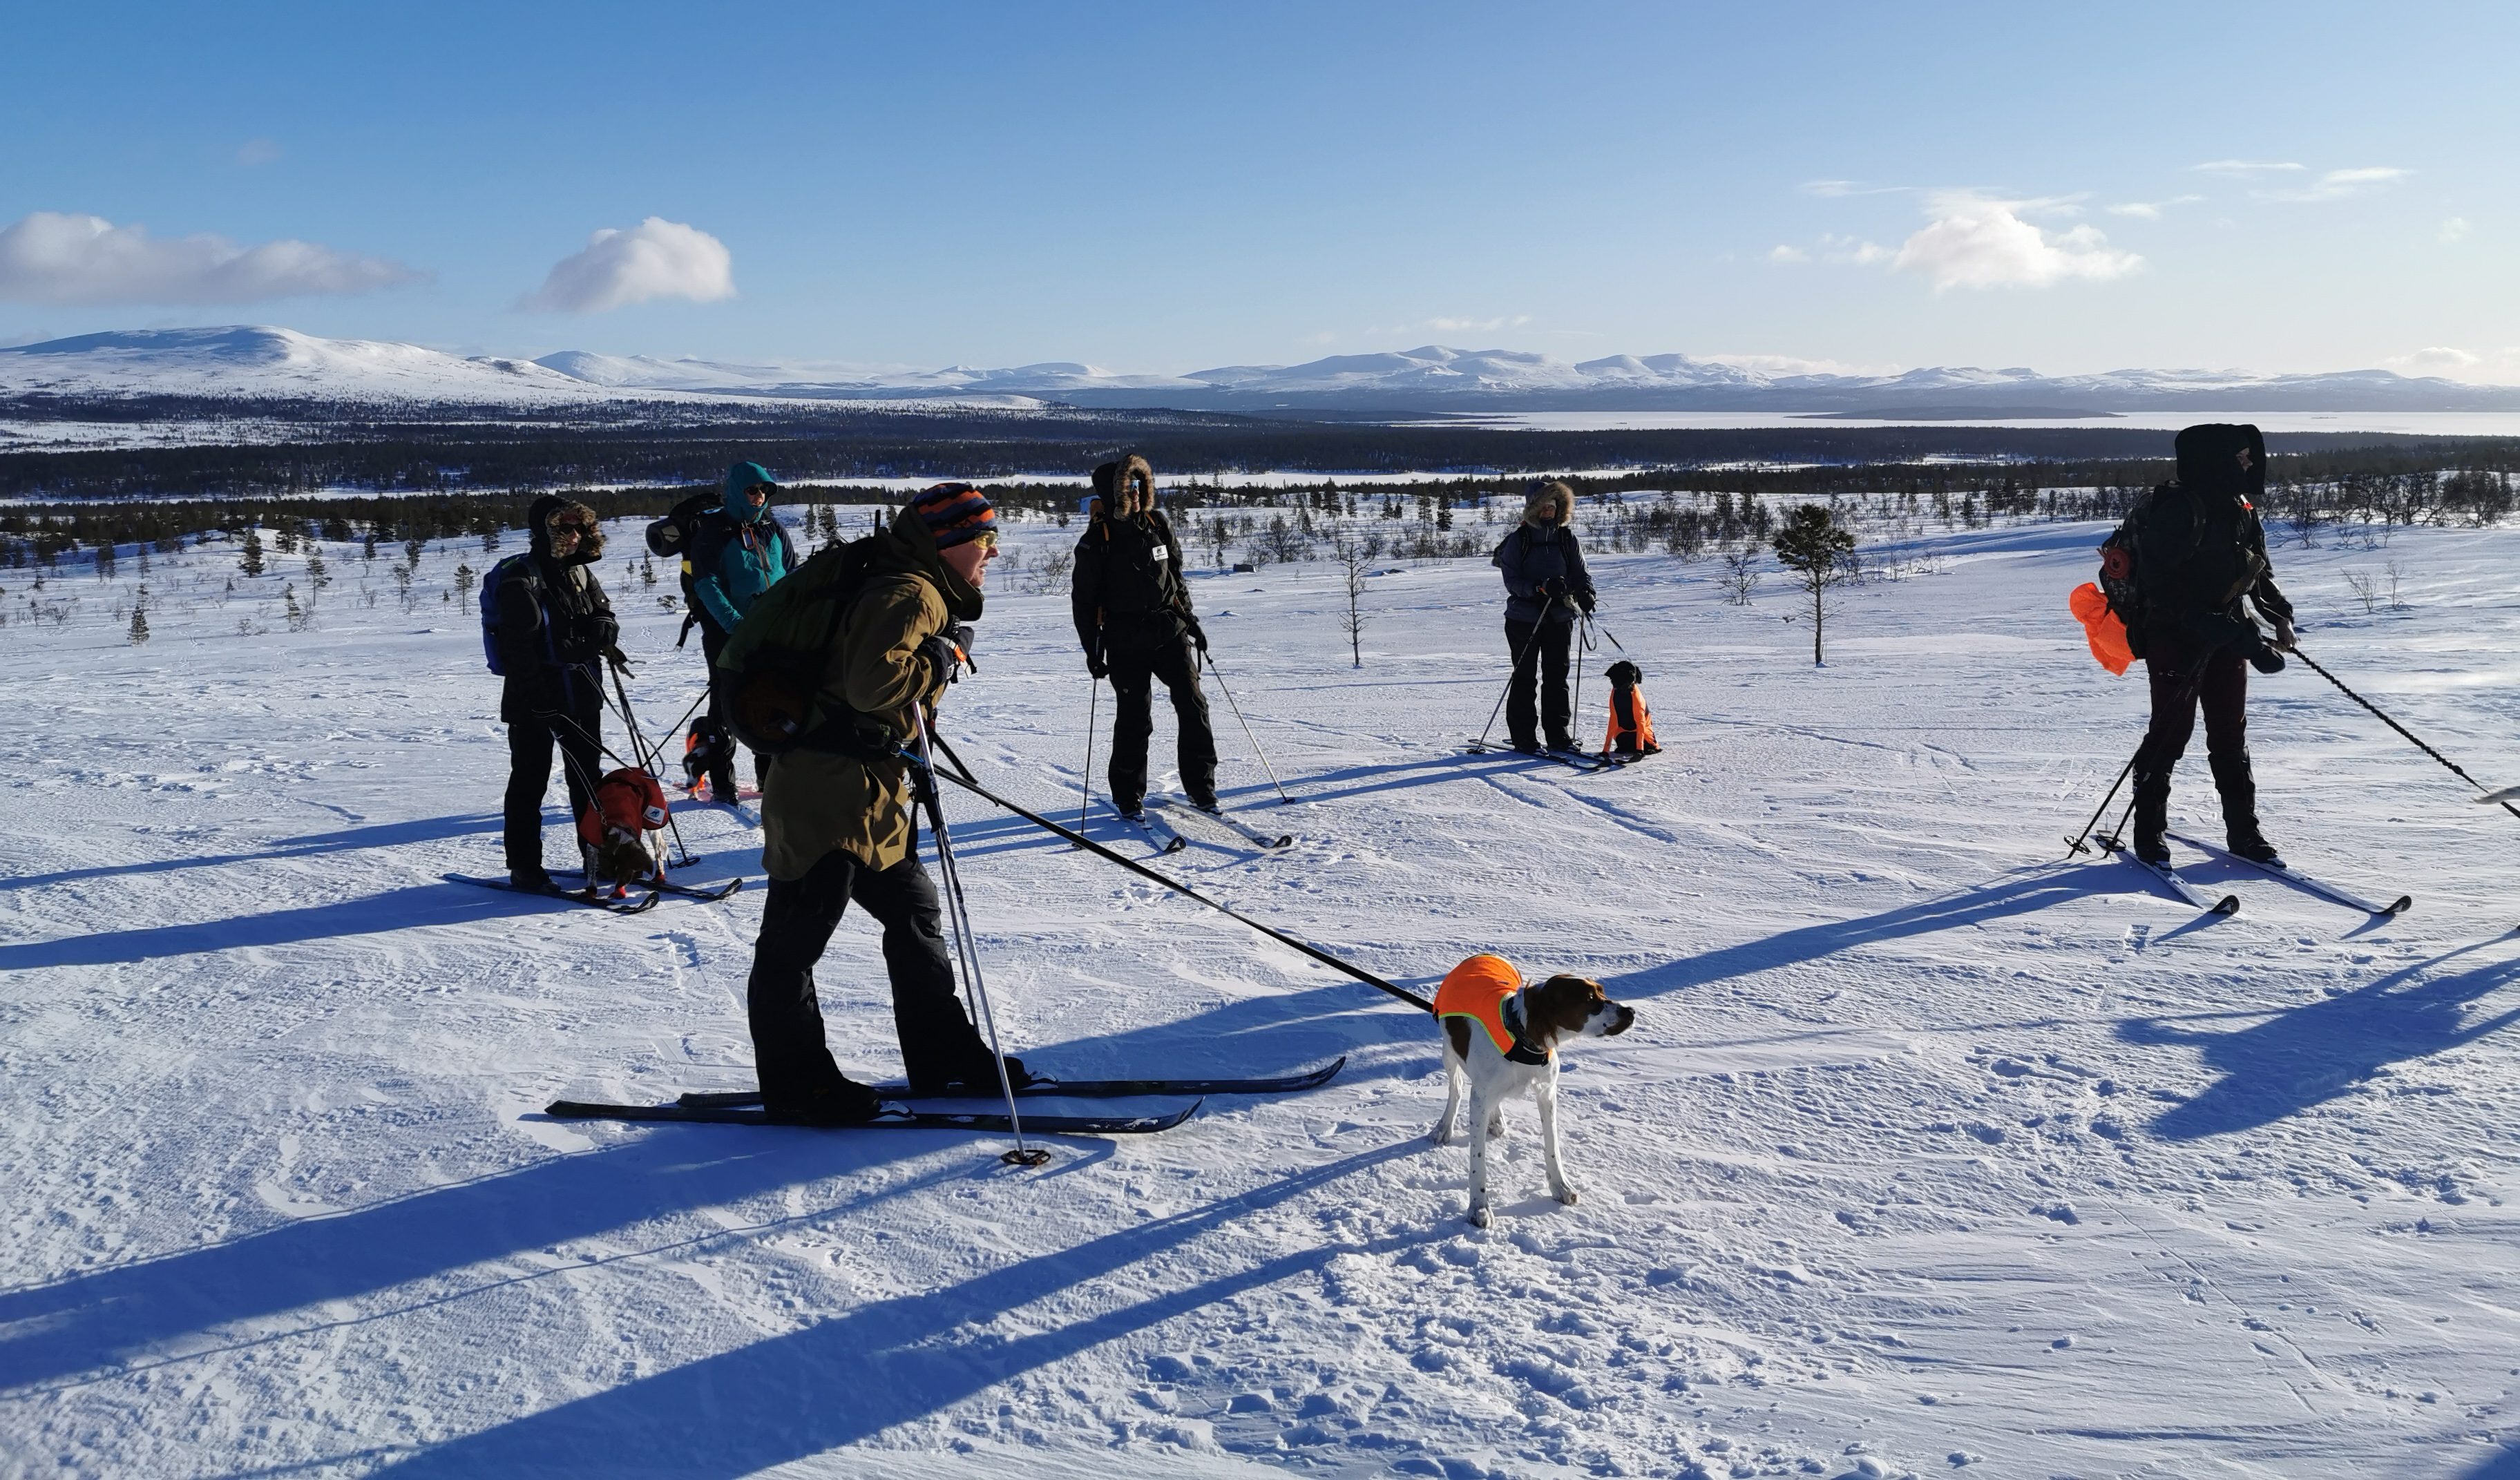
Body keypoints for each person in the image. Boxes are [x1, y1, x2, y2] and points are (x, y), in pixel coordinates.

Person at [725, 481, 1024, 1123]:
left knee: (915, 918)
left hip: (874, 796)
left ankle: (943, 1053)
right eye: (984, 540)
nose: (991, 554)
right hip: (827, 799)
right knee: (792, 945)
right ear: (948, 543)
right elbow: (872, 684)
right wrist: (939, 661)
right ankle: (798, 1084)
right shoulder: (909, 590)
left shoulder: (907, 579)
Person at [2128, 423, 2298, 866]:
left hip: (2227, 634)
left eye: (2248, 455)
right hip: (2174, 636)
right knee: (2170, 735)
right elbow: (2162, 588)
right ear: (2214, 460)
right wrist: (2242, 639)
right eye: (2239, 456)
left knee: (2229, 734)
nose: (2248, 463)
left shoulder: (2239, 506)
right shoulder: (2179, 509)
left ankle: (2245, 835)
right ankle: (2148, 835)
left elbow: (2256, 572)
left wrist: (2280, 617)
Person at [1071, 454, 1218, 814]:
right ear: (1112, 493)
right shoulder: (1095, 542)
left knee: (1194, 705)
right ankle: (1127, 794)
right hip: (1124, 638)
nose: (1134, 494)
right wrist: (1093, 651)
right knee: (1136, 717)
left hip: (1169, 630)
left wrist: (1191, 620)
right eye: (1127, 488)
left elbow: (1176, 577)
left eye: (1138, 486)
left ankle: (1202, 788)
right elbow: (1083, 603)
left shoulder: (1157, 523)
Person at [494, 496, 621, 890]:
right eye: (564, 528)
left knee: (588, 780)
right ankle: (525, 867)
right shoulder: (520, 577)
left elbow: (604, 612)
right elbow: (519, 649)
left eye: (580, 528)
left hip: (581, 691)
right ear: (544, 530)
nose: (574, 535)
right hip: (534, 698)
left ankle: (597, 859)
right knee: (530, 782)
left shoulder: (580, 572)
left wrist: (604, 627)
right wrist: (538, 698)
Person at [687, 461, 800, 803]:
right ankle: (723, 782)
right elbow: (706, 585)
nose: (760, 495)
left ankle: (769, 780)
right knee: (726, 704)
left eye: (765, 490)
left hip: (773, 633)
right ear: (738, 490)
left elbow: (793, 575)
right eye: (753, 489)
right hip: (728, 635)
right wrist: (736, 626)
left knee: (772, 701)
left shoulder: (773, 528)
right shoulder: (714, 530)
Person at [1491, 479, 1596, 752]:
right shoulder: (1519, 540)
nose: (1548, 512)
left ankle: (1558, 736)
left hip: (1560, 618)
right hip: (1523, 619)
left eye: (1552, 507)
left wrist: (1586, 593)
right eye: (1543, 507)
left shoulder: (1566, 538)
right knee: (1525, 677)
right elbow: (1511, 580)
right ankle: (1524, 738)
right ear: (1532, 509)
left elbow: (1581, 573)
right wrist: (1539, 588)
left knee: (1556, 678)